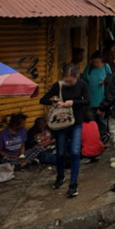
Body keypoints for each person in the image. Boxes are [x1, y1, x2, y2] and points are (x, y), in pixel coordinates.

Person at [40, 64, 91, 198]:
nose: (67, 83)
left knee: (74, 151)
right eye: (66, 80)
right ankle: (60, 175)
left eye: (70, 81)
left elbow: (87, 101)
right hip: (61, 124)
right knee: (61, 152)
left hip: (76, 122)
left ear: (76, 77)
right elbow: (43, 99)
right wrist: (56, 102)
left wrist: (73, 102)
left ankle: (73, 183)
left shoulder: (82, 85)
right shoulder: (58, 85)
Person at [82, 51, 111, 141]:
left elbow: (111, 79)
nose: (95, 64)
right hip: (90, 99)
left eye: (97, 62)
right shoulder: (88, 68)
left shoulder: (106, 67)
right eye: (93, 62)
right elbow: (83, 80)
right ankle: (93, 138)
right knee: (91, 121)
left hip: (102, 100)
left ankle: (103, 137)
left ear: (101, 60)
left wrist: (105, 81)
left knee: (102, 121)